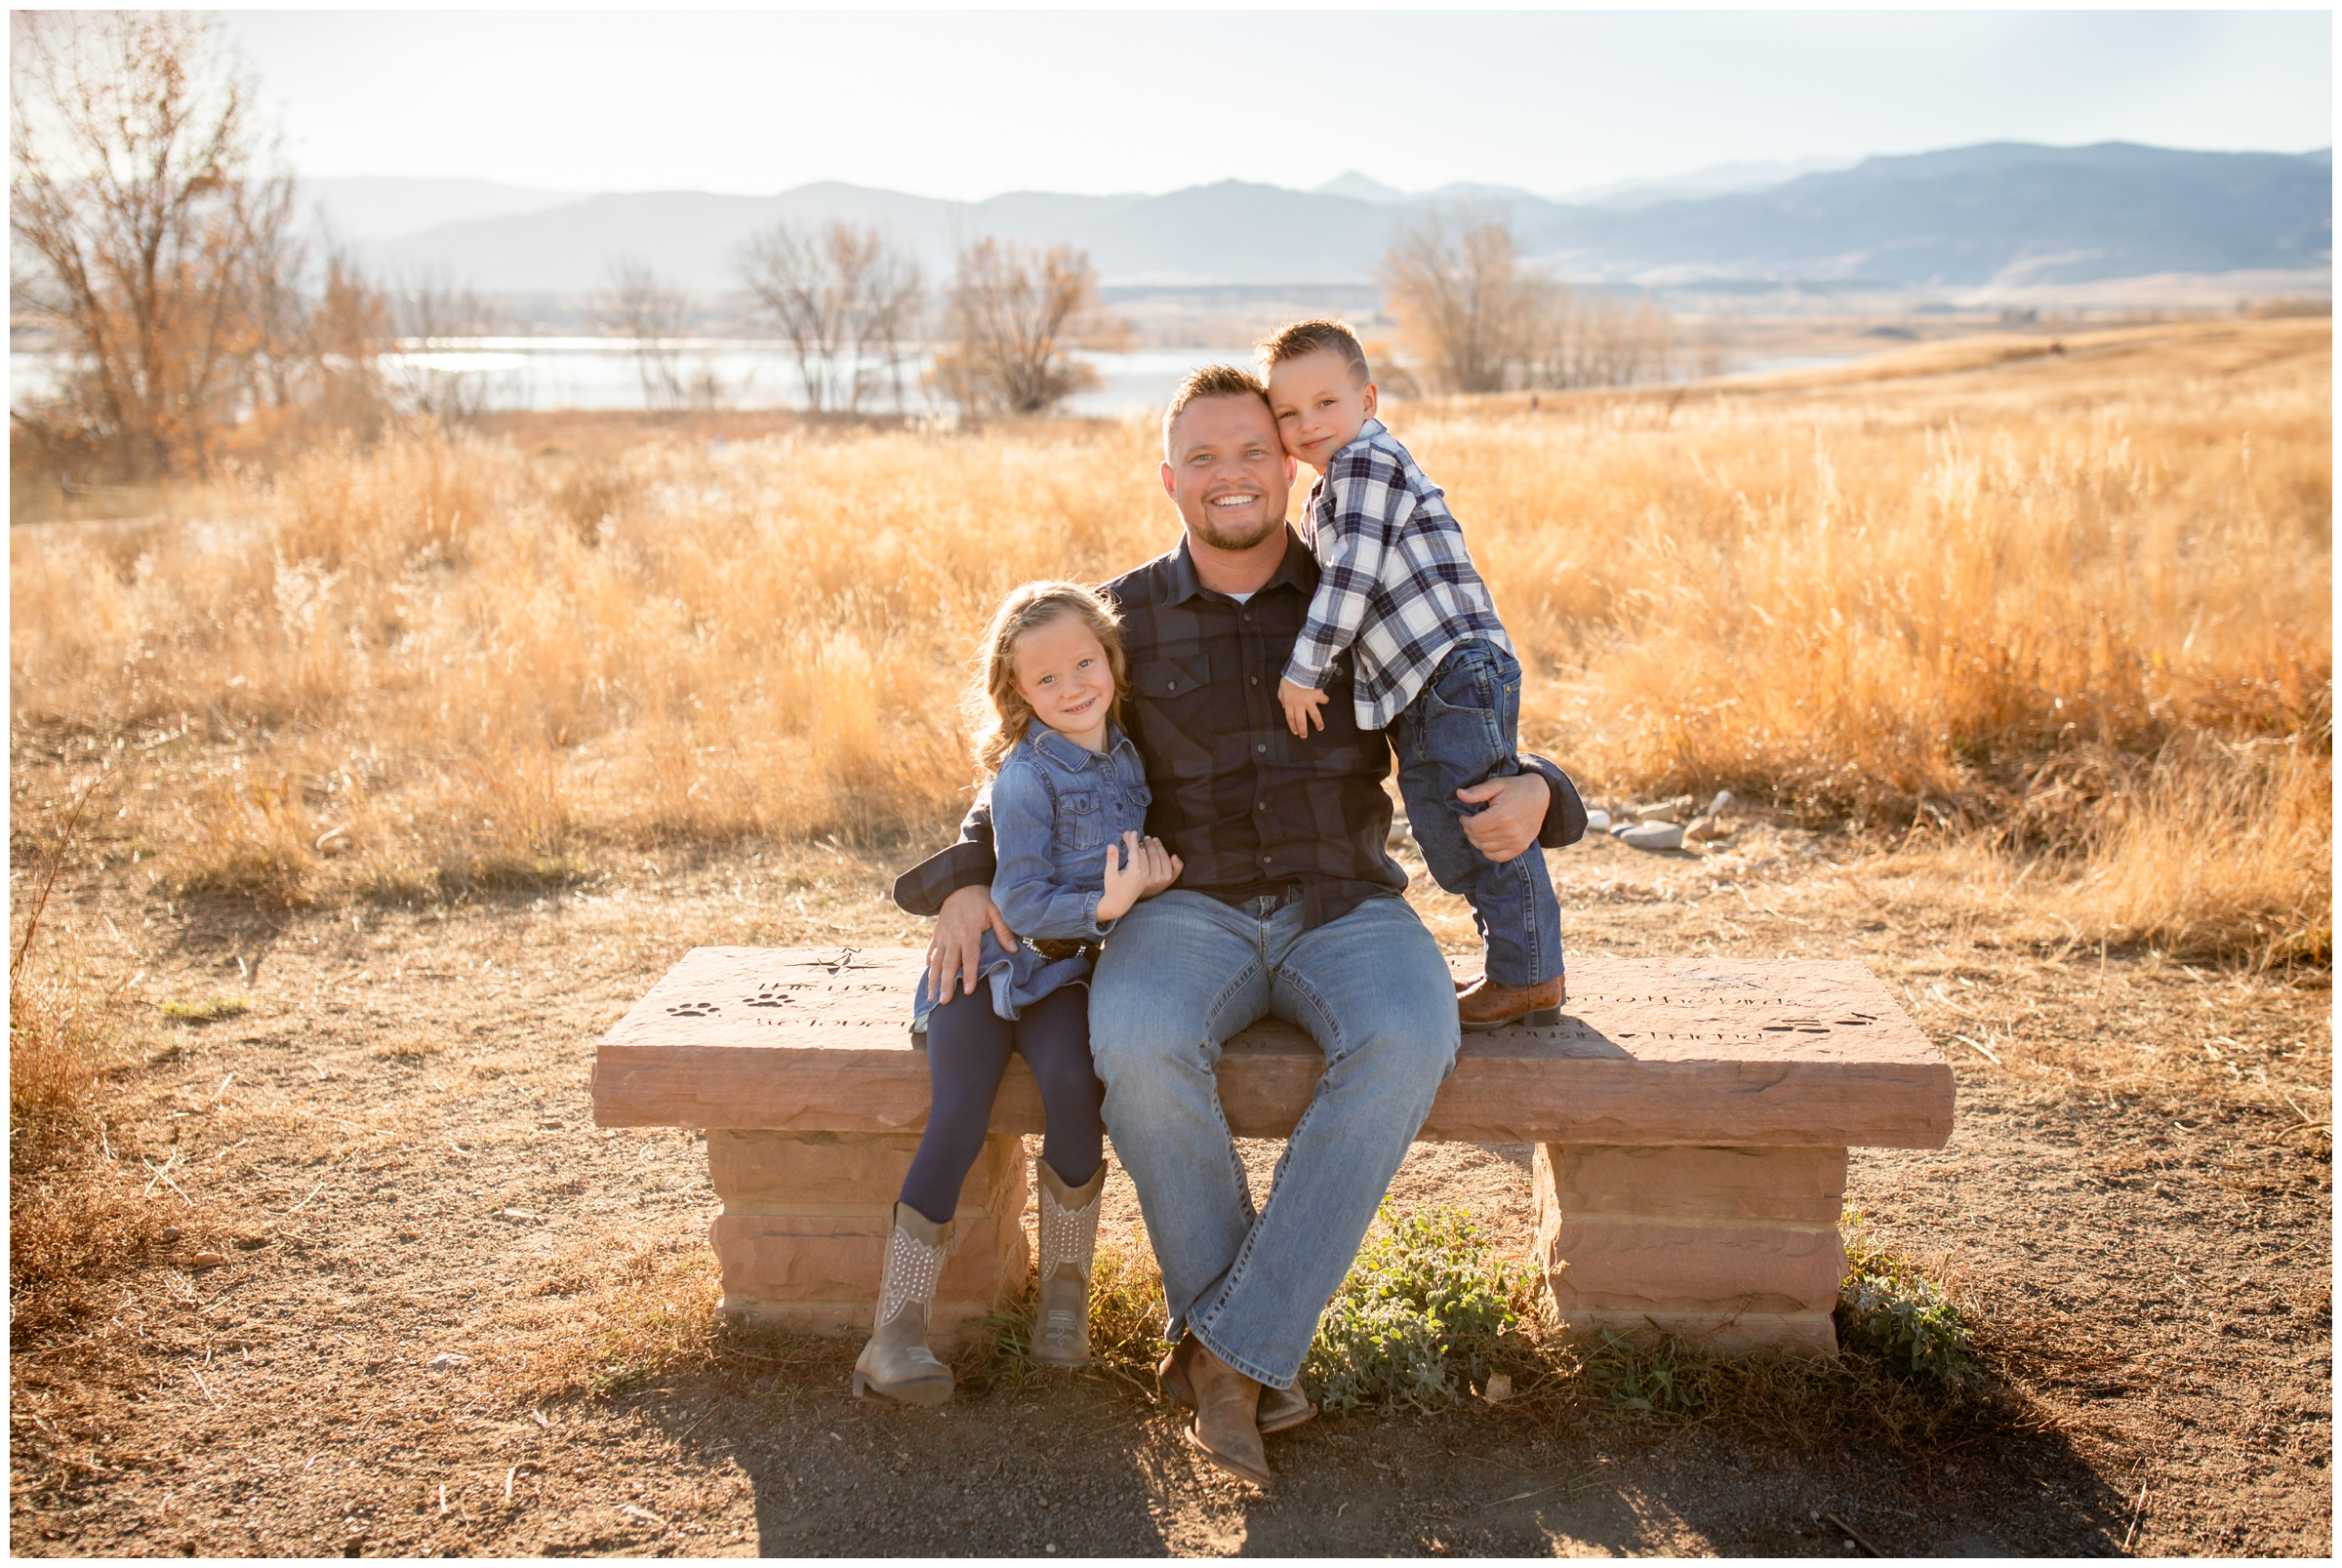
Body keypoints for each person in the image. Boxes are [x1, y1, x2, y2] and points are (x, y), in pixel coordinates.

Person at [894, 366, 1584, 1488]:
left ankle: (1226, 1356)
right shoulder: (1121, 620)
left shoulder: (1358, 589)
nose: (1230, 475)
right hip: (1184, 910)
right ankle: (1252, 1358)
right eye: (1203, 457)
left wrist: (1547, 790)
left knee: (1413, 1033)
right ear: (1170, 479)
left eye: (1252, 451)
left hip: (1347, 904)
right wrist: (971, 872)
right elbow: (1034, 748)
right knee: (1139, 1041)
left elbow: (1474, 701)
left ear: (1292, 465)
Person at [856, 582, 1182, 1406]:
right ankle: (894, 1335)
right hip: (994, 963)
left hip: (1065, 973)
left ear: (1112, 659)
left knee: (1076, 1085)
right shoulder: (1026, 777)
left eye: (1085, 662)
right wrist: (1111, 904)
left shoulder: (1132, 753)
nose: (1071, 687)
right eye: (1045, 680)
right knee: (961, 1106)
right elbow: (1026, 899)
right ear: (1016, 693)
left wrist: (1155, 879)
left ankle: (1062, 1308)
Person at [1262, 318, 1564, 1029]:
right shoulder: (1328, 487)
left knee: (1485, 814)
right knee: (1448, 823)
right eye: (1287, 413)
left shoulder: (1368, 463)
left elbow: (1353, 575)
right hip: (1424, 687)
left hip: (1453, 669)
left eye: (1326, 403)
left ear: (1367, 400)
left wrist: (1305, 670)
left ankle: (1531, 973)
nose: (1308, 423)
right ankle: (1514, 963)